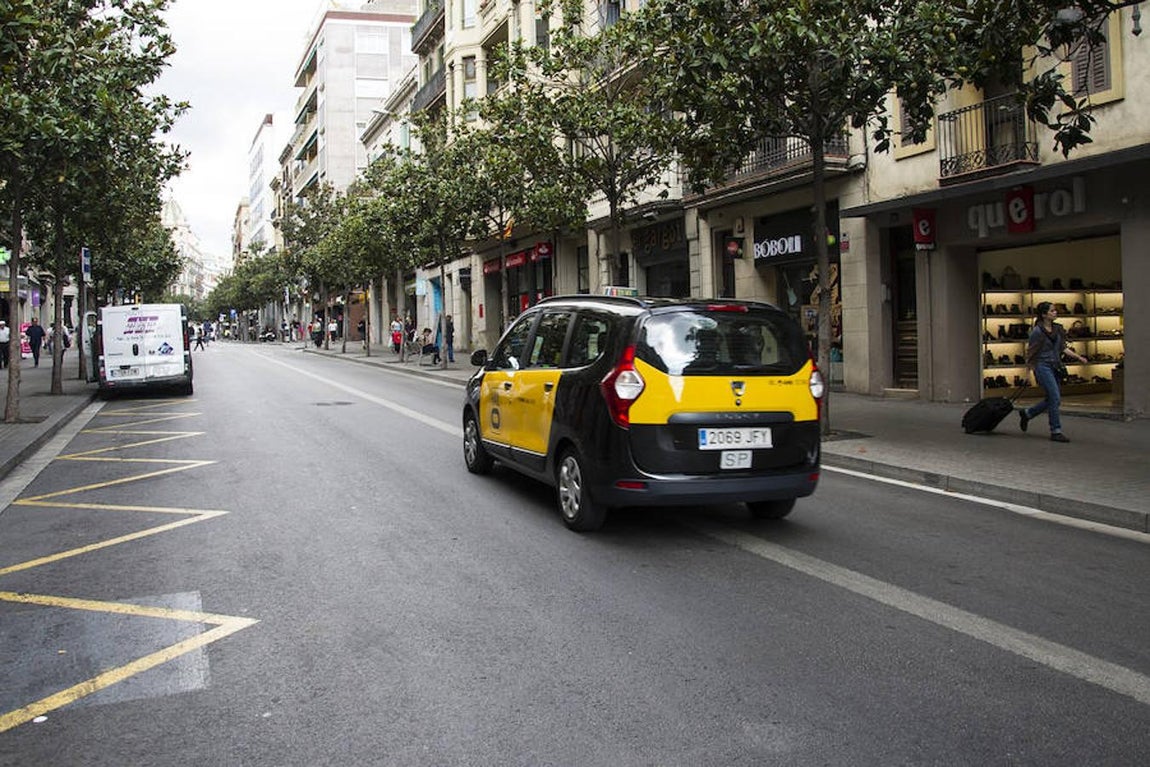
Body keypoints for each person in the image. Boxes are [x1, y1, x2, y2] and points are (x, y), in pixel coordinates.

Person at [1019, 301, 1088, 443]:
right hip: (1042, 366)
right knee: (1055, 397)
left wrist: (1078, 357)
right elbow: (1031, 353)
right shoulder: (1037, 332)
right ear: (1044, 315)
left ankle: (1028, 413)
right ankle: (1055, 430)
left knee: (1052, 398)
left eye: (1055, 310)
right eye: (1052, 311)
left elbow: (1063, 347)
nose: (1055, 312)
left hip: (1055, 365)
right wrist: (1028, 373)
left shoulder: (1058, 329)